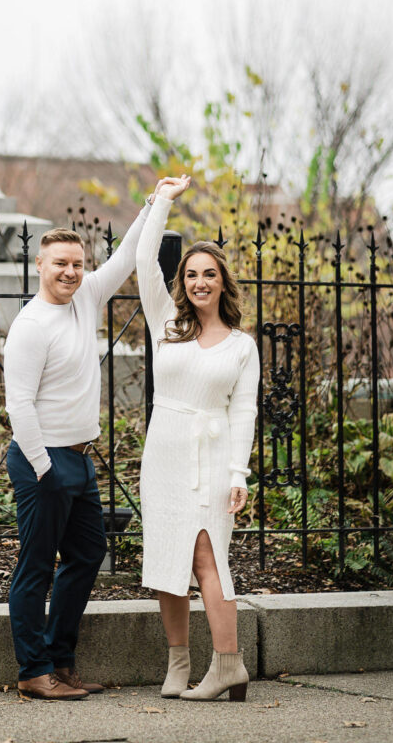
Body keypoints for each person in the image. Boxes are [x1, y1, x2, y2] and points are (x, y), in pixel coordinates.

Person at [3, 188, 162, 700]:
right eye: (59, 264)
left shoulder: (87, 298)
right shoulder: (30, 326)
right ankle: (33, 671)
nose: (70, 272)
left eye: (76, 263)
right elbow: (18, 405)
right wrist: (44, 468)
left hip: (80, 459)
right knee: (34, 567)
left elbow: (125, 257)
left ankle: (61, 659)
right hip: (44, 462)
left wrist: (153, 204)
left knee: (88, 553)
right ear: (39, 265)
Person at [135, 174, 259, 701]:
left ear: (222, 282)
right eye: (190, 274)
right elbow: (144, 262)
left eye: (209, 274)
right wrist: (161, 201)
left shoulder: (241, 346)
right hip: (163, 453)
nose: (199, 282)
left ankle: (228, 665)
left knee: (208, 557)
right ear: (181, 281)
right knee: (167, 560)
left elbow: (244, 412)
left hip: (211, 461)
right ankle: (178, 663)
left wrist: (239, 475)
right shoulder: (167, 324)